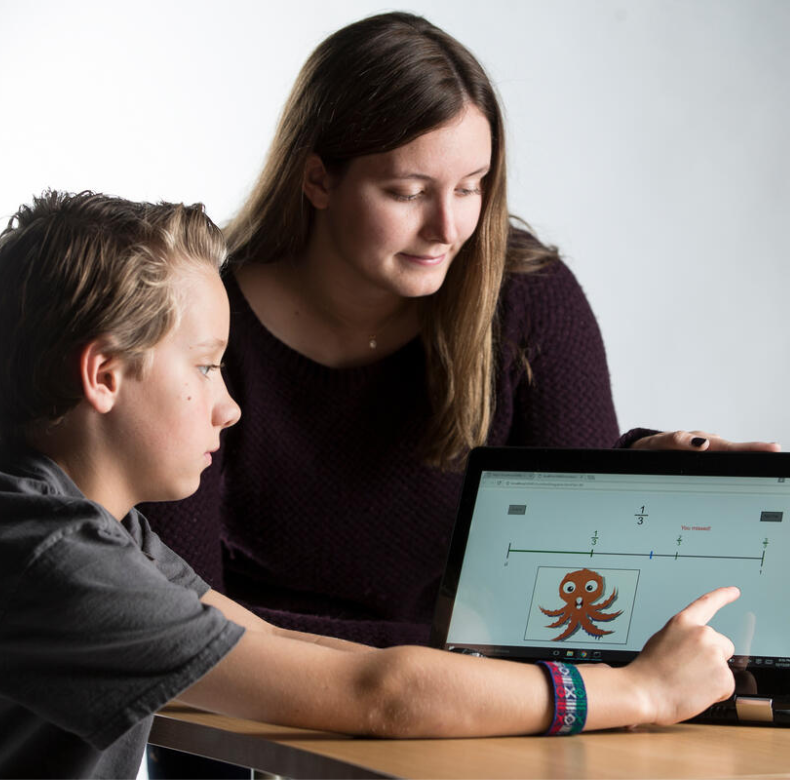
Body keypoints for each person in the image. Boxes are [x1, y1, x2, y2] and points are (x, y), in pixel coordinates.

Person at [0, 190, 740, 779]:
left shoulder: (95, 525)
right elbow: (374, 696)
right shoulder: (51, 557)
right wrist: (638, 691)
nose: (229, 406)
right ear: (103, 375)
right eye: (204, 365)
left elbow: (283, 645)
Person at [143, 11, 777, 654]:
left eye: (471, 188)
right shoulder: (199, 320)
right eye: (407, 192)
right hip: (248, 705)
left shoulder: (528, 298)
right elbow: (183, 616)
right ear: (318, 180)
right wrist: (449, 652)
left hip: (464, 699)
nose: (447, 228)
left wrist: (634, 472)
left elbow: (565, 580)